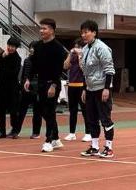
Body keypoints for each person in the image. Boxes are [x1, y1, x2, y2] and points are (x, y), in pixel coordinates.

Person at [78, 20, 116, 159]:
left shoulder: (102, 48)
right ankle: (94, 147)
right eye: (82, 32)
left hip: (101, 88)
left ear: (94, 32)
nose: (83, 35)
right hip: (90, 89)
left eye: (86, 32)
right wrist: (84, 88)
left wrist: (106, 89)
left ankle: (109, 147)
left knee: (105, 119)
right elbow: (85, 72)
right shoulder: (85, 48)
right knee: (91, 118)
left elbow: (109, 70)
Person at [30, 18, 67, 152]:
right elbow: (33, 64)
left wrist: (53, 85)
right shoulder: (38, 46)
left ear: (52, 30)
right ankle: (56, 138)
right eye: (40, 28)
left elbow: (58, 69)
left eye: (44, 28)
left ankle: (48, 140)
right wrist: (28, 79)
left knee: (50, 111)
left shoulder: (58, 48)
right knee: (43, 111)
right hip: (40, 82)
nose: (41, 31)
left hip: (52, 83)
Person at [0, 36, 22, 139]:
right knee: (1, 110)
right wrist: (2, 57)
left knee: (13, 110)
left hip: (12, 88)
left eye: (13, 46)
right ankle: (2, 131)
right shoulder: (3, 54)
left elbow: (14, 73)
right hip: (1, 87)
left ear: (16, 47)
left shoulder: (18, 58)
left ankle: (14, 130)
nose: (10, 48)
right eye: (9, 45)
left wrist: (4, 70)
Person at [11, 44, 40, 138]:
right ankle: (16, 131)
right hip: (26, 89)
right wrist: (23, 84)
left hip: (37, 89)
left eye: (33, 48)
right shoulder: (27, 60)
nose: (31, 49)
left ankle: (36, 132)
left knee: (37, 112)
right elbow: (24, 75)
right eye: (30, 47)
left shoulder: (41, 61)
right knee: (21, 111)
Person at [63, 40, 89, 141]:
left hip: (82, 85)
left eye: (78, 47)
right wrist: (70, 54)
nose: (76, 48)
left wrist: (80, 55)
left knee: (85, 110)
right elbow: (65, 66)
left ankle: (88, 132)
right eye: (75, 46)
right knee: (72, 110)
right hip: (72, 85)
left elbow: (84, 68)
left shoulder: (85, 56)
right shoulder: (72, 55)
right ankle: (72, 133)